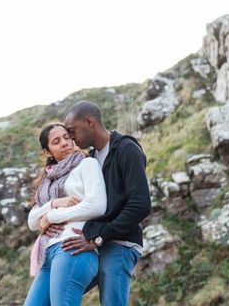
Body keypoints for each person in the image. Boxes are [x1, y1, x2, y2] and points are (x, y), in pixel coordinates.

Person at [61, 100, 151, 306]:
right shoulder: (91, 158)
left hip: (120, 244)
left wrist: (99, 237)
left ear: (90, 121)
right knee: (58, 294)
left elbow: (140, 204)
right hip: (94, 243)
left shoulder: (126, 149)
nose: (71, 138)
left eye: (72, 131)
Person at [24, 123, 107, 306]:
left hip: (73, 248)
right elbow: (32, 221)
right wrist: (54, 203)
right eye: (56, 141)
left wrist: (53, 216)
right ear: (47, 152)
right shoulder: (47, 182)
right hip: (48, 254)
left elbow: (97, 205)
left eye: (67, 137)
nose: (65, 143)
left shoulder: (87, 164)